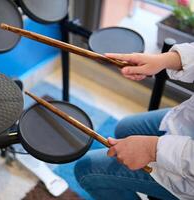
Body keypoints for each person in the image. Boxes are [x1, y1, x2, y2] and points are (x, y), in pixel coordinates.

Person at [74, 43, 194, 200]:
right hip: (188, 122)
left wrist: (151, 149)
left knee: (86, 170)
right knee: (125, 129)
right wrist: (167, 59)